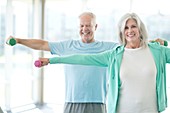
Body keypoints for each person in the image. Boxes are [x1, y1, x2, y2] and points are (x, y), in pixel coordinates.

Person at [37, 13, 170, 113]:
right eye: (126, 28)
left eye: (133, 26)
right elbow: (82, 59)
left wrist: (162, 43)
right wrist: (51, 60)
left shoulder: (157, 51)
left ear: (140, 29)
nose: (129, 31)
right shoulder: (114, 55)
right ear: (122, 32)